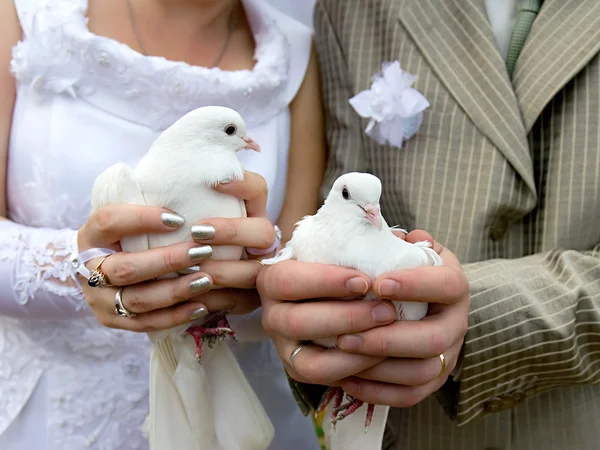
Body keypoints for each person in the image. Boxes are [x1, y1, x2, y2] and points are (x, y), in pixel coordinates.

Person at [258, 0, 600, 449]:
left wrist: (469, 314)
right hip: (410, 430)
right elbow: (338, 205)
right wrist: (308, 317)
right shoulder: (351, 9)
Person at [0, 0, 324, 448]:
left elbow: (293, 268)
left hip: (235, 410)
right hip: (55, 419)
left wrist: (265, 272)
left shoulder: (296, 52)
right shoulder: (22, 13)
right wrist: (81, 268)